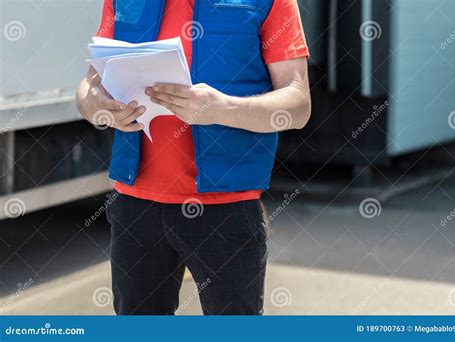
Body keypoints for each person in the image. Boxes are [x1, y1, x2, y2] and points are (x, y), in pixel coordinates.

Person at [76, 0, 310, 315]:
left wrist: (223, 109)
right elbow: (89, 87)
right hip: (135, 207)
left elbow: (298, 104)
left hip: (226, 208)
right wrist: (100, 108)